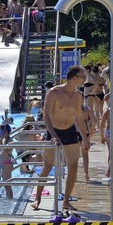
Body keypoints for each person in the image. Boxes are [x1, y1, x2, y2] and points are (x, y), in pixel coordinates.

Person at [32, 65, 90, 211]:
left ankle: (66, 200)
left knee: (73, 166)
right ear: (75, 78)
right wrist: (53, 135)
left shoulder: (78, 95)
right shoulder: (54, 92)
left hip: (69, 131)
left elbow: (78, 116)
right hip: (53, 131)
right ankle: (37, 198)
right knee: (47, 166)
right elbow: (46, 115)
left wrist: (85, 137)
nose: (85, 80)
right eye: (83, 77)